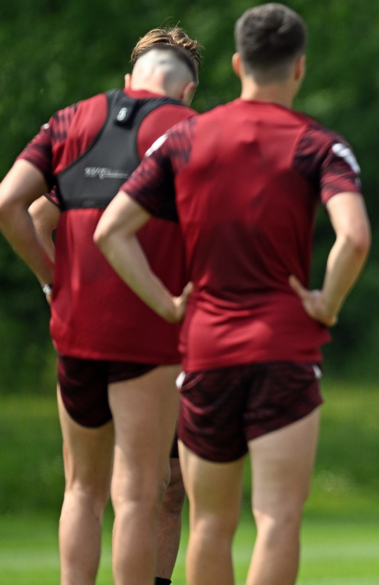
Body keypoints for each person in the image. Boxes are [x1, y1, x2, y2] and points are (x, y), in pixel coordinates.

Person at [93, 4, 371, 584]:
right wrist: (327, 302)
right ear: (299, 67)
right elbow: (354, 237)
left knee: (210, 524)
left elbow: (110, 231)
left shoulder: (184, 138)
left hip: (207, 351)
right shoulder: (319, 144)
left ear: (239, 63)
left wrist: (167, 304)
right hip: (284, 349)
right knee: (276, 520)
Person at [0, 27, 201, 585]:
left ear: (130, 79)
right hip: (150, 333)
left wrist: (54, 285)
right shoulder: (191, 132)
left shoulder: (71, 121)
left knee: (82, 490)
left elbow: (14, 206)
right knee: (139, 492)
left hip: (76, 332)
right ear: (187, 90)